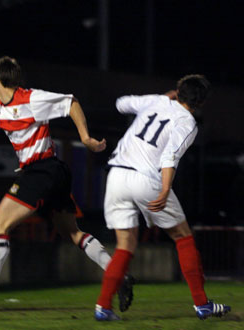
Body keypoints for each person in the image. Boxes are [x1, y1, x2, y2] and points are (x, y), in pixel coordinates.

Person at [0, 56, 134, 309]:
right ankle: (119, 276)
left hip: (41, 170)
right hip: (53, 172)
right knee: (72, 233)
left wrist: (85, 138)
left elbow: (71, 102)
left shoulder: (31, 98)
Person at [94, 75, 231, 321]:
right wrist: (166, 188)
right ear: (201, 102)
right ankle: (202, 304)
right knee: (183, 236)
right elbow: (170, 155)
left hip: (115, 175)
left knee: (125, 245)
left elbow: (121, 103)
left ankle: (103, 307)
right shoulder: (187, 121)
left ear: (178, 90)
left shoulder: (156, 101)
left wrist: (162, 97)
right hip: (146, 179)